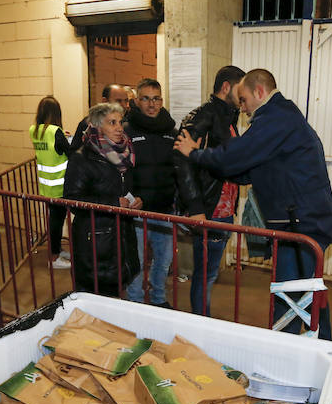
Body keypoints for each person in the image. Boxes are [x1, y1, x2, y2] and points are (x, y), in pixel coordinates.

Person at [174, 68, 332, 339]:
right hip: (303, 221)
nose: (244, 109)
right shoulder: (282, 117)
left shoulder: (274, 118)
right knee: (308, 291)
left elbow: (235, 156)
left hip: (300, 225)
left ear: (259, 93)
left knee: (290, 297)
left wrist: (195, 153)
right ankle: (325, 347)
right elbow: (248, 169)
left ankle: (284, 354)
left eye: (245, 100)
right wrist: (213, 163)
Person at [174, 65, 245, 315]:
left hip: (222, 210)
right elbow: (181, 161)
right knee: (205, 275)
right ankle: (200, 323)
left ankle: (202, 320)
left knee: (209, 273)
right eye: (240, 89)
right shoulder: (203, 116)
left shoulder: (229, 117)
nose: (243, 95)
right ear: (226, 87)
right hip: (208, 210)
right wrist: (195, 208)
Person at [62, 103, 141, 296]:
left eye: (120, 122)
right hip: (95, 243)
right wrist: (113, 204)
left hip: (120, 235)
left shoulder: (126, 153)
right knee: (94, 297)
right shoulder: (82, 158)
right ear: (97, 126)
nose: (119, 128)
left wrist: (137, 199)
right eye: (112, 122)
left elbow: (128, 186)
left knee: (114, 294)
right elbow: (72, 199)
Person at [124, 78, 178, 307]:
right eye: (145, 98)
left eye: (156, 99)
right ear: (137, 101)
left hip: (164, 210)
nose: (151, 104)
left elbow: (178, 170)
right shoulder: (126, 131)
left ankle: (158, 300)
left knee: (163, 262)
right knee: (135, 261)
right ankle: (135, 301)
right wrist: (128, 197)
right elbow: (120, 170)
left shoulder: (172, 132)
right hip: (137, 210)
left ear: (162, 101)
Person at [29, 95, 71, 269]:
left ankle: (57, 250)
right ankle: (54, 258)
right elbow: (68, 151)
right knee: (56, 221)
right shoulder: (55, 132)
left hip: (46, 185)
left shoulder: (34, 130)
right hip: (59, 186)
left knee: (55, 220)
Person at [70, 84, 132, 152]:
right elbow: (75, 152)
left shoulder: (130, 123)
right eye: (118, 101)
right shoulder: (88, 124)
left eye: (126, 101)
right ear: (105, 101)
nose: (124, 105)